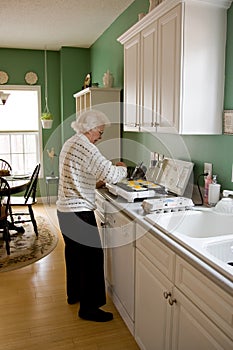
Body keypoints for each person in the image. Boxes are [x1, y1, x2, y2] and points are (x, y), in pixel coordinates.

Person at [56, 109, 127, 322]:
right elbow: (111, 174)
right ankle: (89, 308)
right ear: (91, 129)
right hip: (78, 212)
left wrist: (95, 183)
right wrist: (122, 168)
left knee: (74, 255)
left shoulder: (71, 143)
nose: (100, 137)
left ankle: (74, 294)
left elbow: (78, 175)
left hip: (64, 210)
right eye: (100, 132)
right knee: (92, 259)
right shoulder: (87, 147)